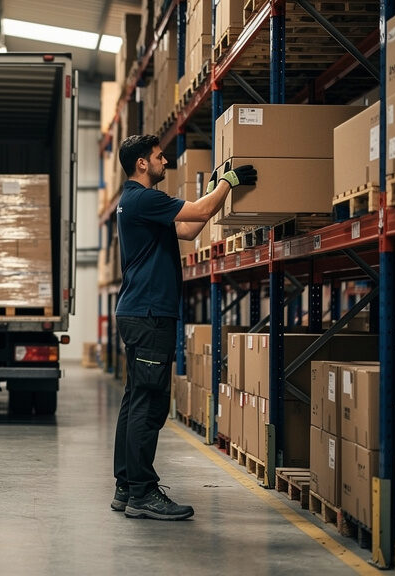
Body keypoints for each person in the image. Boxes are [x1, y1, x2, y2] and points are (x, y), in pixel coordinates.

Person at [111, 134, 256, 520]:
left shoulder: (136, 205)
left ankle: (126, 486)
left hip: (138, 311)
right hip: (149, 313)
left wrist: (212, 191)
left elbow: (190, 229)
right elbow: (203, 211)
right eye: (159, 157)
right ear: (142, 163)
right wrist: (227, 182)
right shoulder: (143, 198)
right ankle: (142, 493)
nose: (165, 162)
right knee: (149, 402)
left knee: (135, 398)